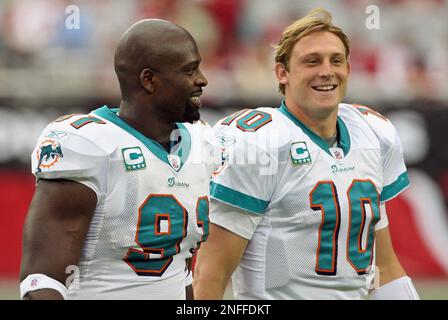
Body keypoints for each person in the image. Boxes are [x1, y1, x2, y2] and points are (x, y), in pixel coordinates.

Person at [193, 8, 420, 300]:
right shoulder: (260, 144)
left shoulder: (373, 133)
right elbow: (211, 274)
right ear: (282, 72)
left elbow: (385, 267)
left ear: (348, 69)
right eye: (312, 61)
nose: (326, 71)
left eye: (335, 60)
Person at [20, 19, 215, 300]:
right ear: (149, 80)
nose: (202, 79)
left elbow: (177, 270)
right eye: (190, 69)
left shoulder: (200, 142)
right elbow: (42, 282)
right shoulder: (88, 144)